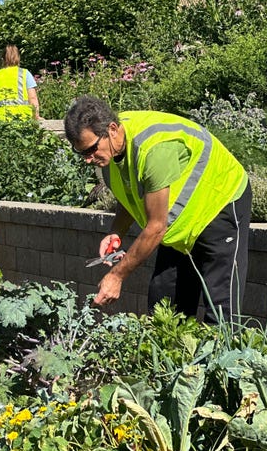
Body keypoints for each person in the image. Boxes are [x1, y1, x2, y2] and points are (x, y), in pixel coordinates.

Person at [63, 95, 251, 324]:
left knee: (221, 308)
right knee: (165, 304)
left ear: (112, 129)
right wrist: (116, 232)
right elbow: (129, 196)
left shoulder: (153, 151)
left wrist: (116, 275)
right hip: (180, 224)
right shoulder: (111, 155)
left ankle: (225, 357)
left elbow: (156, 227)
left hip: (219, 202)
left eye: (91, 149)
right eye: (81, 153)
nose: (88, 159)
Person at [0, 44, 40, 120]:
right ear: (18, 58)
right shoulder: (24, 74)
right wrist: (36, 117)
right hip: (21, 120)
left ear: (2, 59)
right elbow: (32, 98)